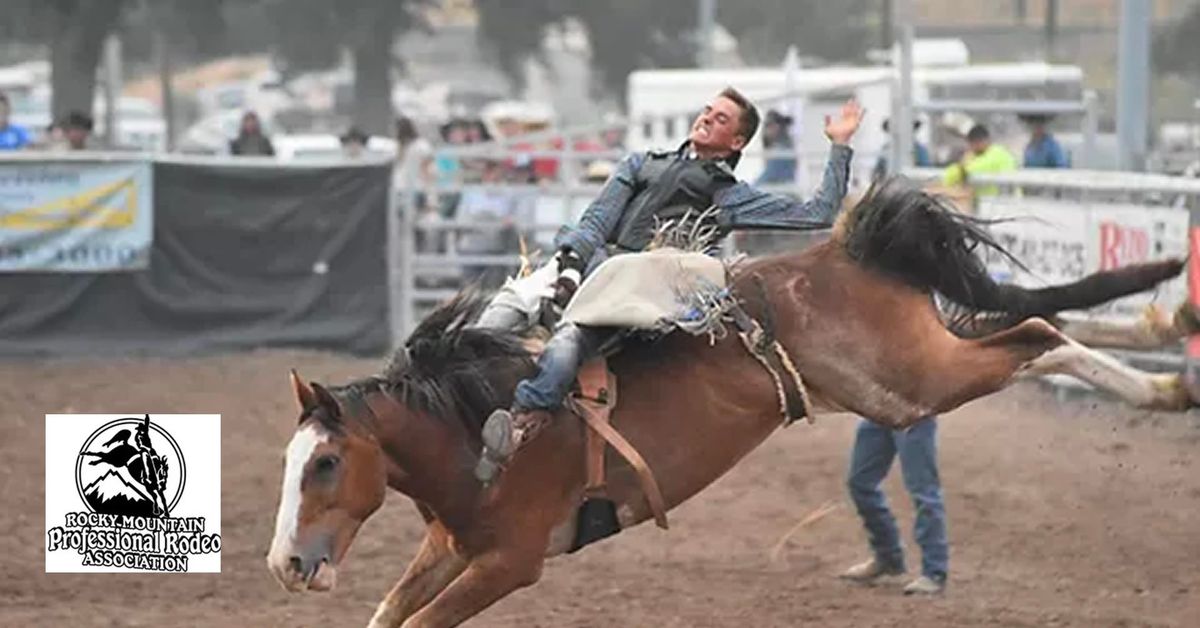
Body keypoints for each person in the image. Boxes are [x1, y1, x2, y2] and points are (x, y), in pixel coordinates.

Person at [474, 87, 864, 481]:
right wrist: (571, 266)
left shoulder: (724, 194)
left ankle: (523, 422)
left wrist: (840, 146)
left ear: (737, 142)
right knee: (495, 318)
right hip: (586, 265)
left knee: (568, 341)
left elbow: (817, 213)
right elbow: (597, 220)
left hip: (635, 289)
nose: (708, 117)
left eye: (721, 119)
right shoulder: (642, 163)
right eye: (708, 110)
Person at [839, 416, 947, 595]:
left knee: (924, 492)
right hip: (879, 412)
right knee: (860, 483)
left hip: (914, 412)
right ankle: (888, 557)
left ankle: (934, 571)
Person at [941, 123, 1017, 195]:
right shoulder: (977, 156)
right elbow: (948, 177)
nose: (970, 147)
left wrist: (962, 165)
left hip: (1005, 204)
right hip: (989, 204)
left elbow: (968, 171)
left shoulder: (998, 154)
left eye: (971, 144)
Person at [755, 110, 797, 185]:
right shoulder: (786, 147)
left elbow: (768, 176)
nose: (765, 130)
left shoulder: (781, 150)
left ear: (777, 126)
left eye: (768, 125)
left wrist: (749, 190)